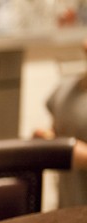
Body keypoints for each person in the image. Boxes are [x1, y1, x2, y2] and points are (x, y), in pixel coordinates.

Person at [34, 38, 87, 207]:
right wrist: (48, 140)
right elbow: (57, 131)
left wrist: (78, 154)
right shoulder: (64, 90)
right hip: (67, 209)